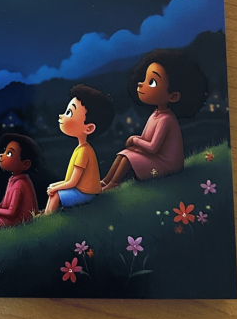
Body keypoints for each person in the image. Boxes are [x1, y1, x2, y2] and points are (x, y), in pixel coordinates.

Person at [101, 48, 208, 190]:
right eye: (145, 79)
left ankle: (113, 184)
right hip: (157, 158)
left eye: (151, 82)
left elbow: (152, 148)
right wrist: (135, 144)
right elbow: (146, 140)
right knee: (124, 154)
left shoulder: (166, 119)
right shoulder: (156, 114)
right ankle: (105, 181)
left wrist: (134, 140)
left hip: (167, 165)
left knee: (127, 157)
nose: (141, 84)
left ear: (173, 96)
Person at [45, 84, 114, 214]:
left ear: (88, 128)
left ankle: (47, 218)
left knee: (55, 195)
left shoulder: (83, 152)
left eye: (69, 113)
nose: (61, 116)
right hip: (81, 190)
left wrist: (55, 189)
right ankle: (45, 215)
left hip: (86, 193)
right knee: (54, 191)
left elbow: (72, 182)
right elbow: (70, 180)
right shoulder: (81, 148)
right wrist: (55, 185)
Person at [0, 133, 39, 228]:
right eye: (5, 151)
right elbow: (4, 205)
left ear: (25, 164)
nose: (2, 155)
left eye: (9, 153)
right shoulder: (13, 180)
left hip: (21, 220)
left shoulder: (19, 184)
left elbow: (11, 212)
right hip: (14, 217)